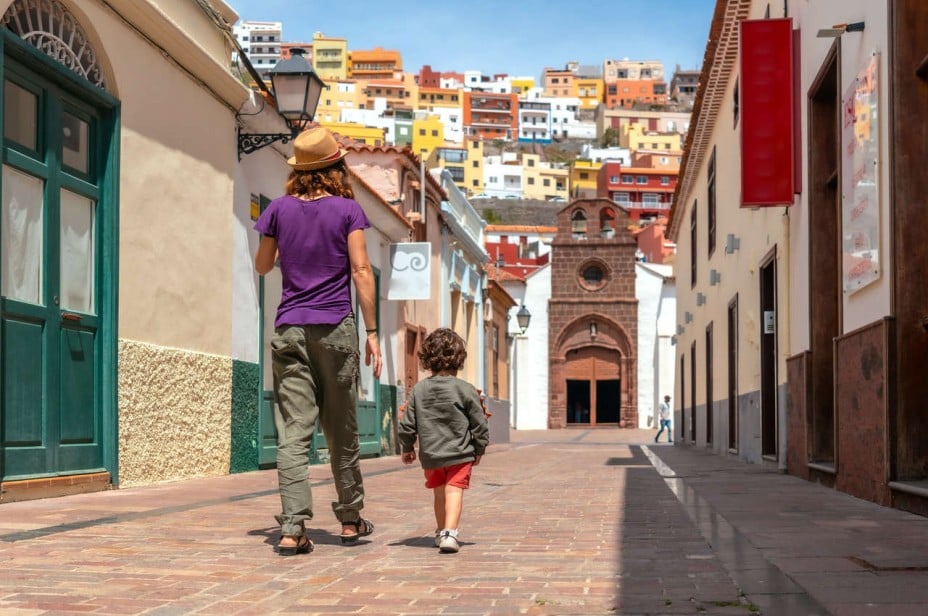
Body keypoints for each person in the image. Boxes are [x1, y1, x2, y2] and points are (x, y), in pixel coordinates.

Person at [254, 125, 383, 556]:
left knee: (293, 433)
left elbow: (262, 265)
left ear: (298, 170)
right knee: (341, 431)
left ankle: (292, 528)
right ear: (335, 167)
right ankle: (349, 519)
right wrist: (371, 332)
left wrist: (287, 246)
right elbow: (361, 271)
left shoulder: (277, 210)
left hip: (290, 326)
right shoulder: (348, 211)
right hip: (336, 328)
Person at [398, 328, 490, 554]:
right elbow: (479, 423)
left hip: (431, 454)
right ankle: (450, 534)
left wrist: (407, 446)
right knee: (454, 491)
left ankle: (441, 532)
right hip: (460, 454)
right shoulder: (466, 389)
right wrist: (479, 448)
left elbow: (407, 423)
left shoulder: (419, 389)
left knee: (439, 493)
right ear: (459, 359)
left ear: (427, 358)